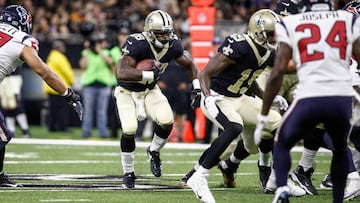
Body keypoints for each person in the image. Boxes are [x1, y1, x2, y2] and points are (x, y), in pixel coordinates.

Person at [254, 0, 360, 202]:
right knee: (340, 148)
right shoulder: (348, 19)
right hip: (341, 96)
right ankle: (338, 197)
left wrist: (264, 114)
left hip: (309, 95)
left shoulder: (291, 22)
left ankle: (282, 189)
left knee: (282, 141)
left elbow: (277, 73)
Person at [185, 9, 289, 203]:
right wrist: (206, 96)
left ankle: (278, 179)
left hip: (240, 98)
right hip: (218, 97)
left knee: (277, 123)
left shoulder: (267, 52)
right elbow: (204, 73)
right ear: (258, 32)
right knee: (233, 127)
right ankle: (199, 177)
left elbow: (249, 78)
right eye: (271, 33)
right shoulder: (240, 45)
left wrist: (268, 97)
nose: (275, 38)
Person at [114, 10, 201, 188]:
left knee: (167, 121)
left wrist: (197, 88)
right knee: (129, 129)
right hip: (127, 91)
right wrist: (148, 73)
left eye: (167, 32)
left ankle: (153, 151)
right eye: (160, 33)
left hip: (149, 90)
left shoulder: (174, 45)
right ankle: (128, 172)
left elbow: (190, 63)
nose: (165, 36)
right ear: (149, 31)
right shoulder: (137, 43)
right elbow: (121, 72)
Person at [0, 5, 82, 187]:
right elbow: (45, 72)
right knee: (2, 135)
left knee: (2, 133)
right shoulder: (21, 40)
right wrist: (68, 94)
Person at [79, 32, 114, 139]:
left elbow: (111, 64)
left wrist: (100, 51)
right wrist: (88, 51)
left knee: (102, 112)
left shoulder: (106, 52)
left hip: (103, 85)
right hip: (89, 85)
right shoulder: (86, 52)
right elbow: (82, 65)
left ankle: (103, 132)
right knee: (88, 111)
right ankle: (86, 132)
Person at [44, 39, 75, 132]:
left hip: (51, 87)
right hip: (60, 87)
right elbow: (67, 71)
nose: (64, 48)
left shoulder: (51, 56)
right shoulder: (59, 57)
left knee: (53, 109)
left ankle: (52, 126)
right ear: (58, 48)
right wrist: (71, 81)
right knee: (62, 109)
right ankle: (62, 127)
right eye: (62, 46)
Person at [108, 26, 130, 138]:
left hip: (128, 83)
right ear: (118, 37)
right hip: (115, 82)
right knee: (114, 109)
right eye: (122, 35)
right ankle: (113, 132)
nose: (124, 37)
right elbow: (112, 67)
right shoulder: (113, 51)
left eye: (126, 35)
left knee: (127, 109)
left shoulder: (132, 50)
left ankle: (126, 132)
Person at [0, 69, 30, 138]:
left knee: (16, 104)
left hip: (13, 78)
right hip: (4, 78)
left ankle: (25, 130)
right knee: (6, 106)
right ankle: (11, 131)